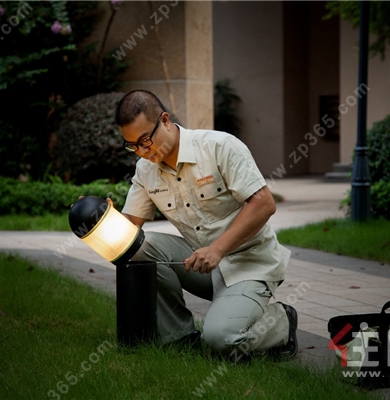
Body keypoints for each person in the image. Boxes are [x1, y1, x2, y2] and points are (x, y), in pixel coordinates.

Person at [114, 90, 297, 361]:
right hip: (204, 267)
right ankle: (179, 337)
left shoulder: (219, 147)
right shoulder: (145, 170)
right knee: (141, 247)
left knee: (222, 339)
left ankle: (283, 320)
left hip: (250, 265)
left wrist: (218, 249)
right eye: (133, 145)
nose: (142, 151)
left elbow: (264, 204)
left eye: (145, 140)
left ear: (165, 120)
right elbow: (128, 232)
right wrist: (98, 218)